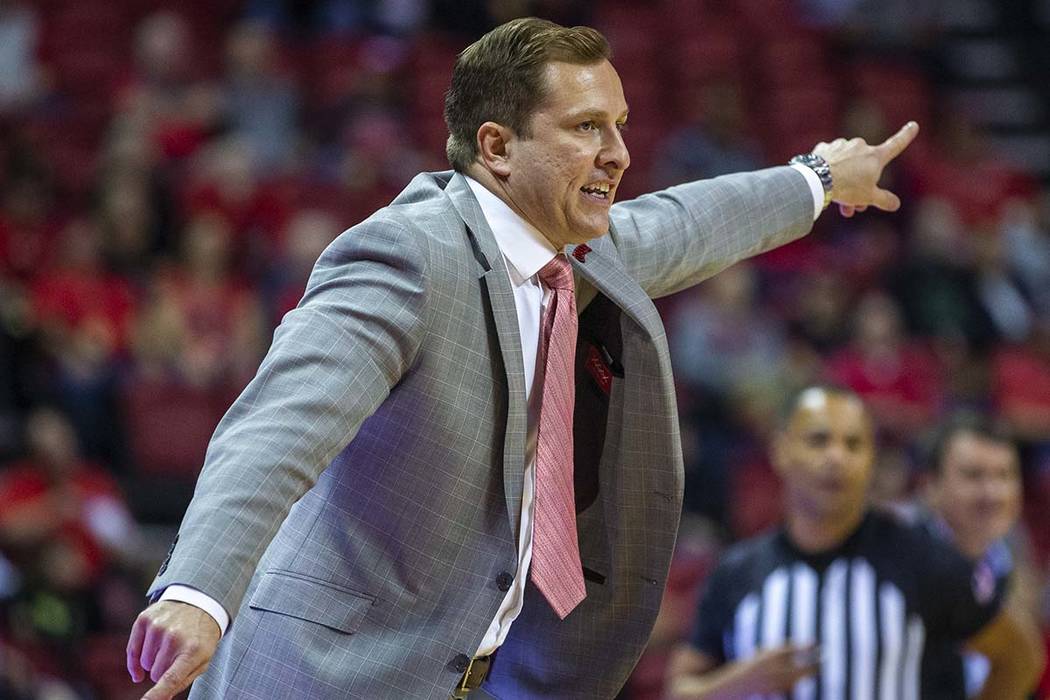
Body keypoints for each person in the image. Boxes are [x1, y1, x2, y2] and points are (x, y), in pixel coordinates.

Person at [125, 17, 919, 700]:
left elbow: (686, 223)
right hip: (320, 673)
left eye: (620, 124)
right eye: (586, 128)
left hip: (473, 673)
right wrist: (200, 589)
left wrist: (817, 179)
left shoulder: (575, 251)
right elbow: (274, 431)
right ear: (497, 146)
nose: (618, 154)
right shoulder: (406, 255)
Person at [666, 386, 1043, 700]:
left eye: (853, 444)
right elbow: (679, 689)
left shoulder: (923, 559)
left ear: (870, 461)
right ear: (780, 450)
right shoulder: (737, 571)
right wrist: (740, 683)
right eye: (819, 440)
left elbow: (1019, 657)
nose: (836, 457)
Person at [923, 413, 1046, 697]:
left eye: (1004, 476)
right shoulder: (906, 560)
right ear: (931, 484)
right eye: (973, 475)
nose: (992, 493)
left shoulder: (1011, 561)